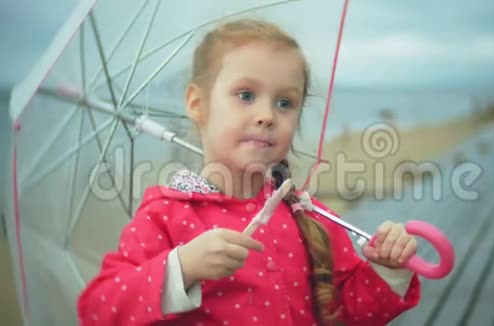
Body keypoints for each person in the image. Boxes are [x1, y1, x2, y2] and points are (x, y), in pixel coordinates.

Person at [77, 18, 421, 325]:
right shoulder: (165, 216)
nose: (267, 115)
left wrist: (387, 271)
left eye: (285, 102)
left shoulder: (308, 215)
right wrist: (182, 267)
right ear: (198, 104)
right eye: (245, 94)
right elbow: (97, 310)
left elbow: (348, 312)